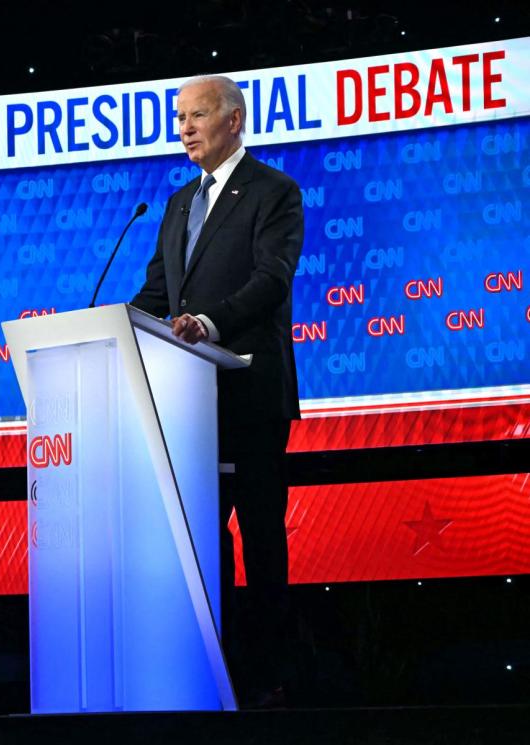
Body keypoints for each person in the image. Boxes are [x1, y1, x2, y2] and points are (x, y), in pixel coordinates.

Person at [129, 75, 303, 705]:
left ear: (234, 120)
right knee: (203, 537)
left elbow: (272, 280)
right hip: (191, 403)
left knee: (260, 533)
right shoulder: (177, 204)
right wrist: (107, 328)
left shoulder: (274, 193)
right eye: (179, 118)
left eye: (196, 115)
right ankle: (218, 669)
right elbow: (156, 295)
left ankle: (273, 678)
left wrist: (210, 323)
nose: (184, 128)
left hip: (251, 395)